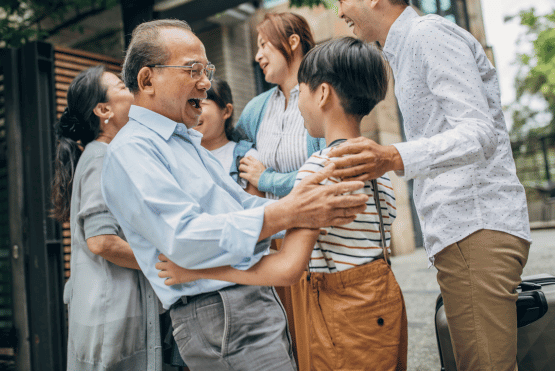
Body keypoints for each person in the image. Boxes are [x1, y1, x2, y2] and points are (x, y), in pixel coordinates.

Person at [100, 19, 370, 371]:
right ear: (147, 79)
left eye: (206, 69)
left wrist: (301, 201)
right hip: (218, 313)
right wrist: (293, 211)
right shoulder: (131, 151)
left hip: (238, 305)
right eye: (193, 70)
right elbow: (185, 237)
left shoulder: (183, 141)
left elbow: (241, 206)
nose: (206, 82)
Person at [324, 0, 532, 371]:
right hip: (465, 232)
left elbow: (478, 134)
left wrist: (392, 156)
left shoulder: (427, 36)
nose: (340, 11)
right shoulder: (405, 48)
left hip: (476, 227)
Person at [157, 37, 408, 371]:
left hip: (338, 316)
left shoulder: (319, 169)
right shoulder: (378, 168)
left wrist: (194, 271)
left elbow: (288, 268)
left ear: (322, 94)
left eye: (300, 90)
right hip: (383, 306)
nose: (298, 102)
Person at [51, 66, 162, 371]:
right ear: (104, 110)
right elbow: (101, 241)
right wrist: (163, 261)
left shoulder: (103, 154)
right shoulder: (102, 156)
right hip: (112, 320)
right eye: (121, 88)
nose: (131, 91)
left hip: (108, 316)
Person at [236, 12, 326, 199]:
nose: (257, 56)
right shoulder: (255, 109)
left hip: (317, 224)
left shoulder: (323, 98)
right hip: (272, 226)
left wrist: (266, 180)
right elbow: (233, 146)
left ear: (293, 42)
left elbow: (325, 171)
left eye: (263, 45)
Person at [194, 77, 263, 196]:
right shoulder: (181, 154)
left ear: (226, 111)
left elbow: (257, 210)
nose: (194, 111)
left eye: (202, 103)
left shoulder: (246, 159)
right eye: (191, 104)